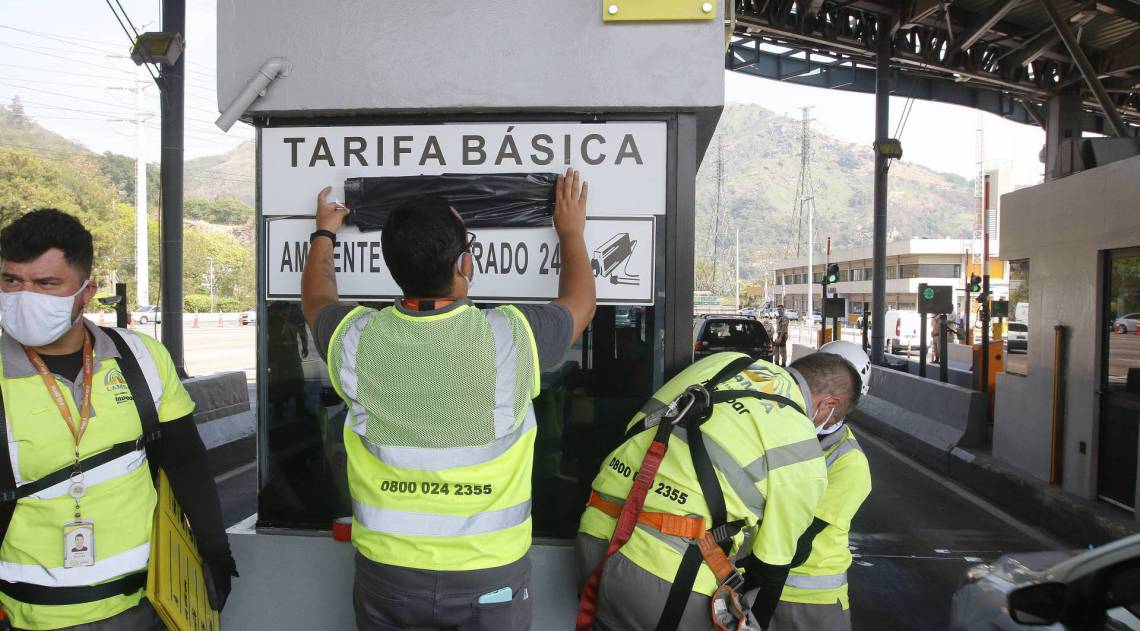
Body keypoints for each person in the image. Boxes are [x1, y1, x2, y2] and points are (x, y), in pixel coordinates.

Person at [301, 168, 595, 631]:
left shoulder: (355, 340)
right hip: (489, 574)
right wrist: (571, 232)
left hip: (387, 573)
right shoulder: (511, 336)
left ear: (393, 268)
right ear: (465, 265)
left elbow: (316, 297)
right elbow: (581, 303)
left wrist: (324, 232)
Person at [0, 209, 236, 630]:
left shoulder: (142, 357)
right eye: (11, 281)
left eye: (46, 284)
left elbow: (185, 460)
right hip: (32, 615)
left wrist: (215, 549)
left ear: (87, 290)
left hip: (148, 604)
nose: (24, 297)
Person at [576, 350, 863, 631]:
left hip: (597, 532)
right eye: (835, 417)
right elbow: (770, 569)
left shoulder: (725, 362)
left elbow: (641, 423)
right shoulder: (803, 452)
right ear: (828, 405)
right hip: (665, 577)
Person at [771, 341, 872, 631]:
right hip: (759, 585)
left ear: (839, 401)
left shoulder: (848, 462)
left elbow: (800, 542)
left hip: (810, 600)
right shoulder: (786, 433)